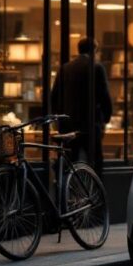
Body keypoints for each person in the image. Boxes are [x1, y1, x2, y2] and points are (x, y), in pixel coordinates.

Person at [51, 38, 113, 176]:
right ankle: (94, 193)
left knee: (69, 162)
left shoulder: (64, 68)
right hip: (90, 124)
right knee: (95, 163)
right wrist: (106, 118)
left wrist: (57, 119)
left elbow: (54, 96)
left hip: (68, 125)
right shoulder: (97, 68)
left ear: (78, 49)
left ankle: (66, 193)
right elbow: (104, 96)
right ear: (94, 50)